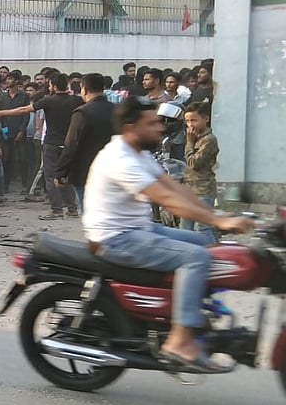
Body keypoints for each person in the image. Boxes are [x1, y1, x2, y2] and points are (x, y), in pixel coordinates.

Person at [81, 96, 252, 372]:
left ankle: (185, 312)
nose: (159, 129)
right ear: (130, 127)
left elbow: (174, 187)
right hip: (115, 238)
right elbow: (165, 199)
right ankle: (179, 341)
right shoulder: (120, 158)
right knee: (195, 257)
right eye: (151, 124)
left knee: (206, 244)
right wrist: (217, 220)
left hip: (138, 229)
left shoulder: (140, 153)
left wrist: (219, 218)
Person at [0, 72, 83, 220]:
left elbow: (23, 110)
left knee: (51, 176)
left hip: (51, 143)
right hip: (69, 143)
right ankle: (72, 209)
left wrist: (1, 113)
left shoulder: (48, 101)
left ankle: (57, 210)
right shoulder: (77, 101)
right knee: (66, 176)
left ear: (52, 86)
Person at [53, 72, 113, 212]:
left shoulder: (82, 113)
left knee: (89, 213)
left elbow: (71, 145)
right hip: (112, 171)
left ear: (84, 89)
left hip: (86, 172)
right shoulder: (116, 110)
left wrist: (60, 172)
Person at [181, 102, 219, 242]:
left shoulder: (209, 140)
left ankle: (215, 256)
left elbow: (194, 163)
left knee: (204, 227)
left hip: (203, 189)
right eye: (188, 121)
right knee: (185, 228)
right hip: (189, 188)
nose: (190, 125)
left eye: (194, 120)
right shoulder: (195, 137)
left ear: (206, 119)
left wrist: (189, 143)